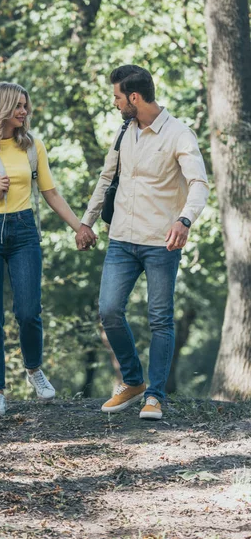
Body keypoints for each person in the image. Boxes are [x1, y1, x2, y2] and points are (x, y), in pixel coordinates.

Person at [75, 65, 209, 420]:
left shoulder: (180, 134)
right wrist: (85, 223)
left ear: (134, 97)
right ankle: (132, 382)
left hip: (160, 242)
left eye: (118, 97)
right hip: (121, 239)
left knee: (160, 319)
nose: (115, 103)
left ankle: (155, 396)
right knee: (108, 311)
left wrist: (185, 220)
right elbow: (107, 178)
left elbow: (199, 183)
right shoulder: (124, 132)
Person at [0, 82, 82, 415]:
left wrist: (79, 226)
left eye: (26, 105)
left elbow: (51, 193)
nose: (24, 112)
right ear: (2, 108)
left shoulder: (32, 146)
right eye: (18, 106)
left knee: (28, 311)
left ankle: (34, 369)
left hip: (24, 232)